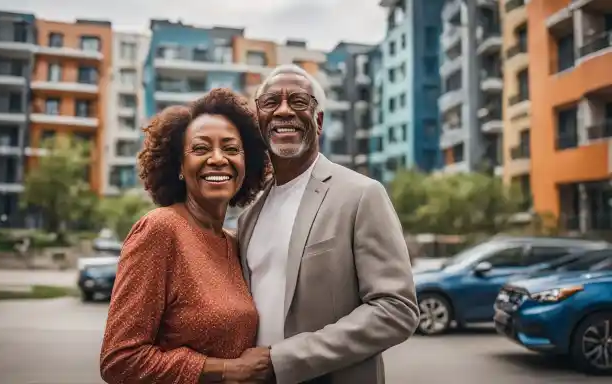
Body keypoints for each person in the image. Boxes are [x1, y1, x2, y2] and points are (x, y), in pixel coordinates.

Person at [238, 64, 420, 383]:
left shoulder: (361, 195)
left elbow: (396, 310)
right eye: (270, 102)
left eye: (298, 101)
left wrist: (281, 361)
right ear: (259, 122)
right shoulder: (248, 214)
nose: (283, 111)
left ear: (318, 120)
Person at [100, 88, 271, 383]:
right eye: (201, 149)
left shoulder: (234, 243)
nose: (218, 159)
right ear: (180, 165)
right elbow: (119, 359)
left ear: (247, 164)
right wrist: (227, 370)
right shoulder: (160, 230)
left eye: (231, 149)